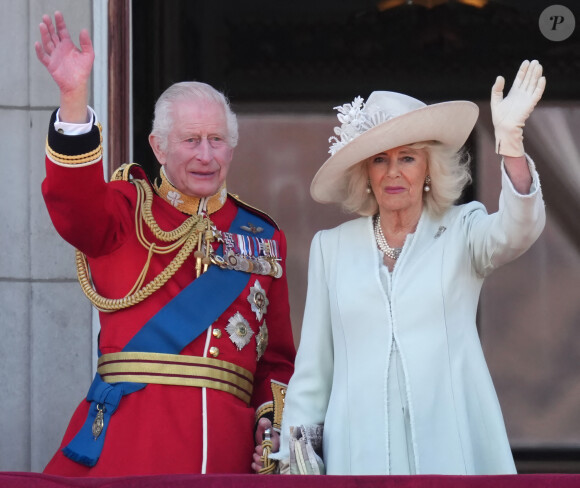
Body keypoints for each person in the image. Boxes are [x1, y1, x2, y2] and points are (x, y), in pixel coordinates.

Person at [35, 11, 295, 476]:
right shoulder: (123, 210)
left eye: (217, 140)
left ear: (232, 149)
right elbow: (74, 204)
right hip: (129, 447)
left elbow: (275, 360)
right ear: (158, 147)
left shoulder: (262, 239)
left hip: (226, 457)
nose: (205, 154)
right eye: (191, 140)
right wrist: (73, 98)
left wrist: (269, 426)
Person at [256, 60, 546, 475]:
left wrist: (511, 142)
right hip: (358, 452)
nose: (393, 172)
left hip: (451, 445)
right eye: (379, 160)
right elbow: (314, 370)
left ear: (428, 168)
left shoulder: (463, 230)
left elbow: (518, 230)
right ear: (366, 172)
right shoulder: (331, 248)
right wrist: (298, 460)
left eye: (407, 158)